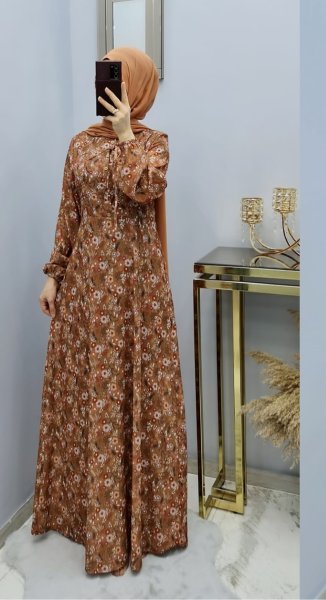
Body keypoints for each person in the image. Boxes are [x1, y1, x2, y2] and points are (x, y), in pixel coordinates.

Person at [33, 47, 188, 576]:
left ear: (139, 88)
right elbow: (70, 212)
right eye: (107, 77)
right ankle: (88, 518)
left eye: (121, 79)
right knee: (92, 395)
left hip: (136, 294)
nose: (112, 89)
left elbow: (142, 188)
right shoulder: (79, 144)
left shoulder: (154, 144)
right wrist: (54, 274)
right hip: (87, 293)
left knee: (134, 393)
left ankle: (143, 522)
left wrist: (125, 135)